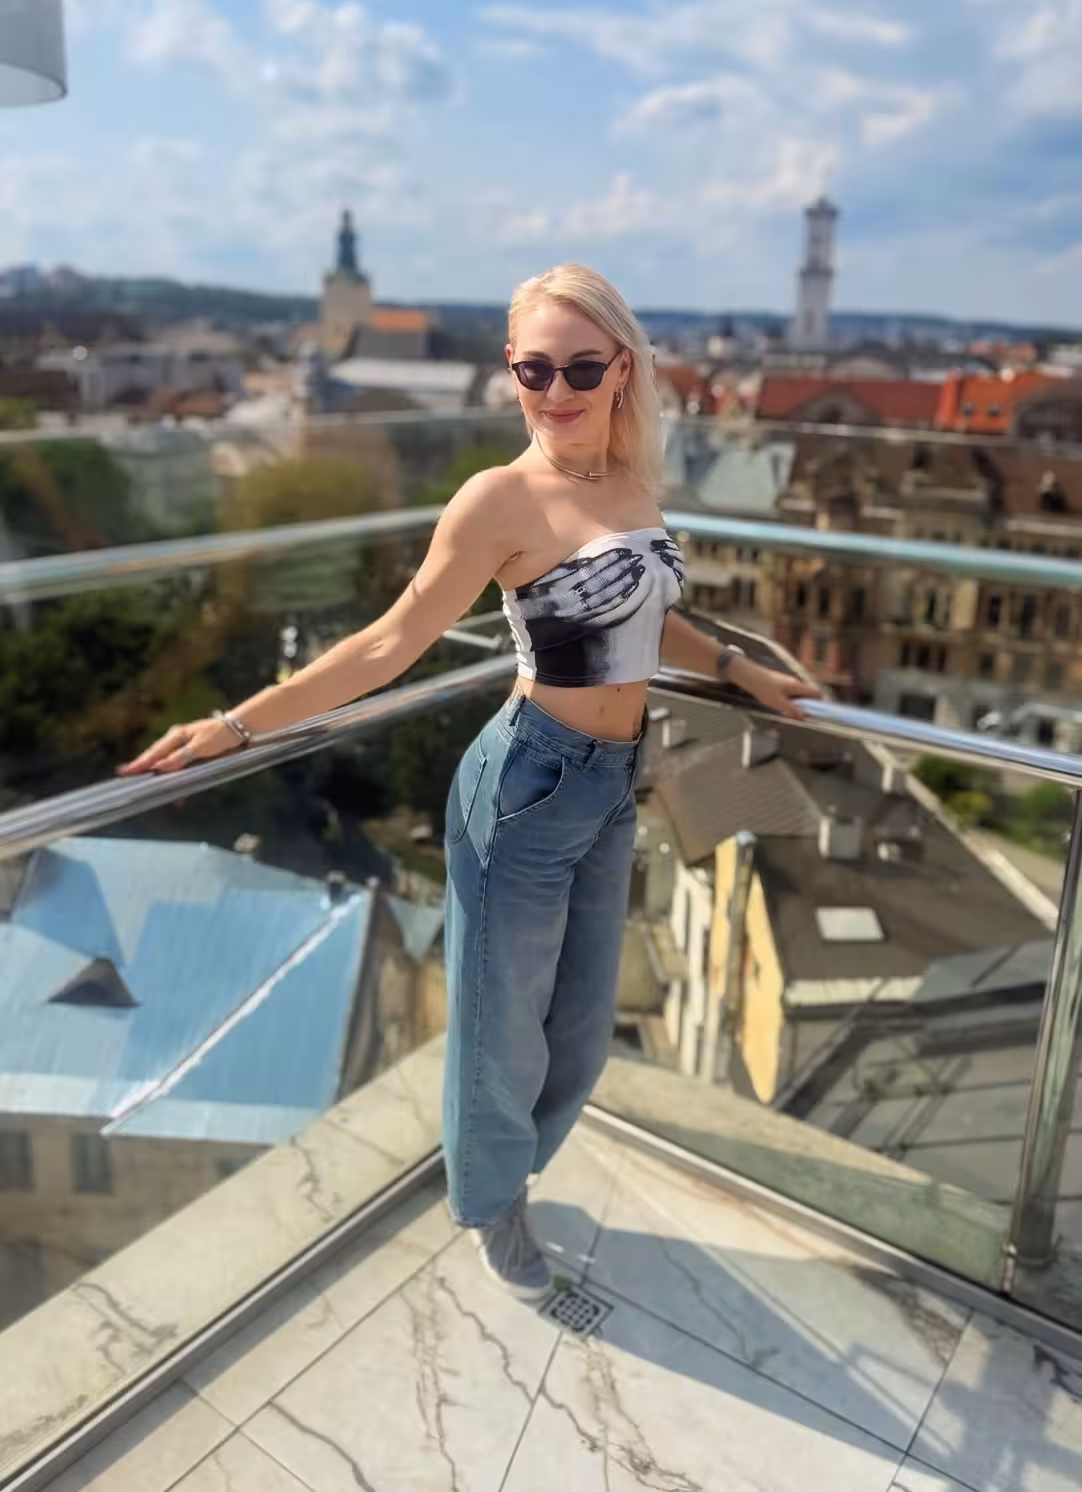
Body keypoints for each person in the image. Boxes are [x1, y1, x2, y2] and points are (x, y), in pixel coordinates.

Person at [121, 265, 819, 1302]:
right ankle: (492, 1209)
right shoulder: (498, 499)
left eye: (580, 367)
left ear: (622, 368)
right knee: (500, 1039)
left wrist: (735, 666)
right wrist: (236, 723)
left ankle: (508, 1174)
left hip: (611, 784)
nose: (557, 389)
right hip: (527, 786)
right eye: (534, 370)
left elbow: (644, 613)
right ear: (510, 372)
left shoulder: (628, 480)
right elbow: (389, 643)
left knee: (579, 1031)